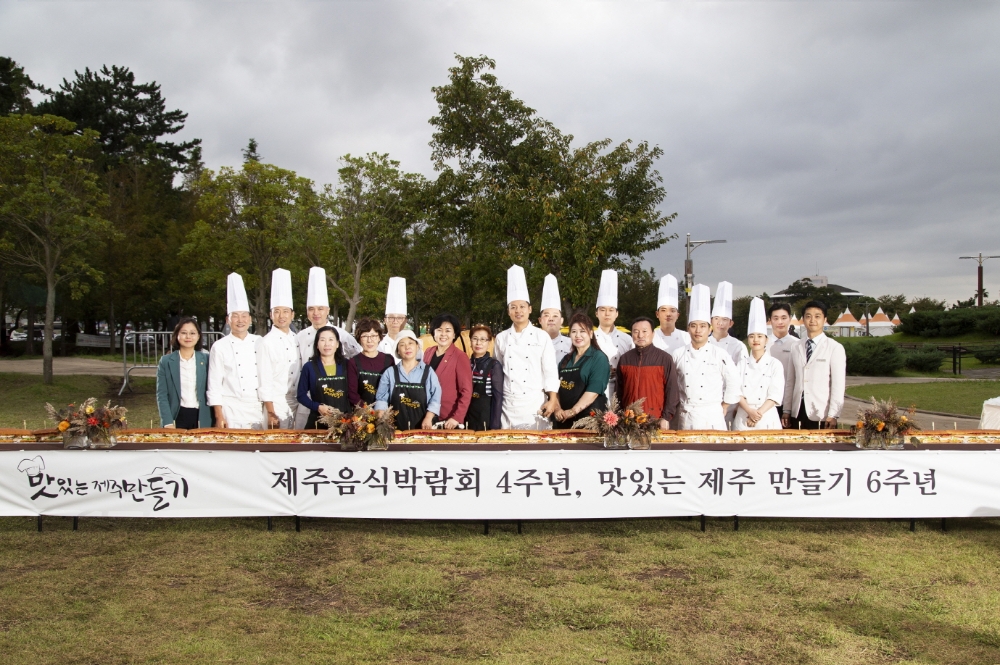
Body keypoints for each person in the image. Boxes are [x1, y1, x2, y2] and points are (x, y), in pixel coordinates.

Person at [493, 265, 560, 429]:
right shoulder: (501, 338)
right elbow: (497, 369)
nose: (518, 311)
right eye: (513, 307)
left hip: (534, 403)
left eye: (522, 306)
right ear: (508, 311)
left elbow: (550, 370)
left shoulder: (541, 336)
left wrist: (552, 399)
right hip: (508, 404)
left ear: (529, 309)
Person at [294, 266, 361, 428]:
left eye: (320, 309)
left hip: (343, 416)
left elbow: (358, 357)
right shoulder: (300, 336)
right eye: (311, 309)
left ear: (328, 310)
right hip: (311, 407)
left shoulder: (343, 335)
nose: (316, 313)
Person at [671, 284, 740, 431]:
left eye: (702, 326)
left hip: (712, 414)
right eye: (693, 326)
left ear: (709, 329)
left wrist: (726, 404)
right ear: (688, 328)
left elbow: (734, 380)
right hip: (686, 414)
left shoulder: (719, 354)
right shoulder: (678, 354)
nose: (698, 330)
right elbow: (670, 384)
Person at [207, 273, 264, 429]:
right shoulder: (219, 346)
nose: (240, 320)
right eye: (235, 316)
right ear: (228, 320)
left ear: (250, 319)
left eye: (244, 316)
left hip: (257, 408)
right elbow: (214, 385)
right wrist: (219, 416)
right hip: (230, 409)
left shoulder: (259, 342)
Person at [783, 300, 846, 430]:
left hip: (822, 412)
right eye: (808, 316)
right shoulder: (796, 346)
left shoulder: (834, 347)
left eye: (817, 316)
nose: (812, 320)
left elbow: (838, 385)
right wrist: (787, 410)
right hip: (798, 410)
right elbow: (791, 381)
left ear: (825, 320)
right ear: (803, 320)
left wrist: (833, 414)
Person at [617, 316, 679, 430]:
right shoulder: (625, 359)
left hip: (655, 419)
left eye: (645, 331)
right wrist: (619, 415)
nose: (640, 335)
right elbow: (619, 391)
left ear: (653, 333)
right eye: (636, 332)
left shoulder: (664, 359)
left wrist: (666, 417)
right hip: (629, 420)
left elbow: (672, 391)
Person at [256, 268, 299, 429]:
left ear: (292, 315)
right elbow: (264, 380)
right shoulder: (266, 342)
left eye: (285, 312)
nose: (281, 316)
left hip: (296, 402)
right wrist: (271, 412)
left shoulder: (296, 339)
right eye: (277, 312)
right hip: (277, 404)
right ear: (271, 315)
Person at [374, 330, 442, 430]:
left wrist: (428, 418)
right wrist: (381, 416)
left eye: (411, 343)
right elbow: (382, 399)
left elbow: (435, 399)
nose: (407, 347)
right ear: (398, 350)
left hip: (424, 427)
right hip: (395, 428)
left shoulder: (428, 372)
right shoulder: (390, 373)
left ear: (417, 346)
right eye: (402, 344)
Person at [552, 312, 610, 429]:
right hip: (564, 420)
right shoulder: (566, 359)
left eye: (582, 331)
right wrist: (558, 409)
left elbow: (593, 392)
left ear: (591, 334)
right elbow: (555, 387)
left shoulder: (599, 358)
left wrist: (572, 411)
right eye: (574, 332)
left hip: (589, 420)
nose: (578, 335)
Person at [735, 298, 785, 431]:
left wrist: (757, 414)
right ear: (748, 340)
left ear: (766, 339)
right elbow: (736, 391)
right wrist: (749, 411)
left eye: (759, 336)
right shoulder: (741, 364)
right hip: (743, 417)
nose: (755, 340)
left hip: (767, 417)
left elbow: (775, 394)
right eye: (751, 336)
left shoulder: (775, 364)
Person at [156, 317, 212, 429]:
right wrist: (167, 422)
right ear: (177, 335)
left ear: (198, 336)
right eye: (184, 333)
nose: (188, 337)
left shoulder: (207, 360)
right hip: (177, 416)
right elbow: (162, 394)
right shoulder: (166, 361)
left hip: (203, 416)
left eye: (192, 333)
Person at [423, 313, 473, 429]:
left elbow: (466, 391)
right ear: (433, 332)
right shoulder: (428, 352)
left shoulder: (460, 357)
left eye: (448, 330)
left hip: (447, 418)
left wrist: (457, 417)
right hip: (426, 414)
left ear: (454, 334)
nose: (443, 334)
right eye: (439, 330)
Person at [593, 269, 635, 403]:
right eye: (603, 310)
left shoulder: (627, 339)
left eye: (611, 310)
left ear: (617, 314)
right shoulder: (589, 338)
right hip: (594, 392)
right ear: (596, 313)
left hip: (620, 391)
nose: (607, 314)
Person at [297, 326, 349, 428]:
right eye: (322, 340)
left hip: (344, 422)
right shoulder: (309, 367)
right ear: (317, 344)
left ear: (337, 344)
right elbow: (301, 395)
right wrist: (317, 407)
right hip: (318, 420)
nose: (327, 344)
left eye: (331, 339)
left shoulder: (347, 365)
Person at [347, 317, 394, 406]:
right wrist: (367, 411)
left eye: (373, 336)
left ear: (379, 337)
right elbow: (352, 393)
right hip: (361, 413)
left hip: (384, 412)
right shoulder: (353, 362)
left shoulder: (389, 360)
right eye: (365, 336)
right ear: (359, 339)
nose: (369, 340)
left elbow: (392, 388)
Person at [766, 302, 799, 426]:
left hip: (789, 402)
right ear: (770, 321)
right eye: (776, 318)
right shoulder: (763, 343)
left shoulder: (797, 344)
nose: (780, 322)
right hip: (766, 402)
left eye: (784, 318)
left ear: (790, 319)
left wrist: (788, 408)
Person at [467, 324, 504, 431]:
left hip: (486, 418)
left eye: (483, 339)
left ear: (489, 343)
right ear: (470, 341)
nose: (478, 343)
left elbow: (498, 397)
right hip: (467, 416)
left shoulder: (494, 365)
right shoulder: (466, 363)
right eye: (475, 339)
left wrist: (495, 425)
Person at [708, 280, 748, 365]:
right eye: (716, 318)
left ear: (731, 323)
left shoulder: (739, 346)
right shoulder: (703, 343)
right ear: (711, 321)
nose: (720, 323)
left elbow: (743, 371)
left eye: (725, 319)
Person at [652, 273, 691, 355]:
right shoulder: (650, 337)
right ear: (657, 314)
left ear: (677, 315)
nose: (668, 314)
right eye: (663, 310)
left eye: (672, 310)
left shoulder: (687, 337)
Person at [539, 274, 572, 364]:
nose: (551, 319)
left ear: (561, 320)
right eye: (546, 315)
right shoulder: (531, 344)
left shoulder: (572, 344)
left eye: (555, 316)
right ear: (540, 320)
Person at [377, 277, 409, 355]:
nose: (395, 321)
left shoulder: (413, 347)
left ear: (405, 321)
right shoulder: (377, 346)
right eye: (391, 317)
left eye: (400, 318)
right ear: (385, 320)